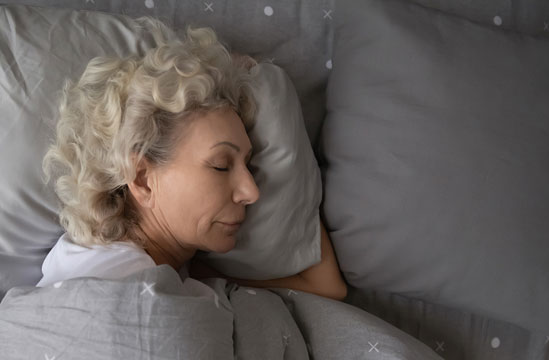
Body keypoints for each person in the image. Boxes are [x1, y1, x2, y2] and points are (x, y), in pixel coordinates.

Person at [37, 17, 347, 301]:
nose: (252, 192)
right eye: (221, 165)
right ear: (143, 179)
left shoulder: (172, 271)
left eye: (249, 165)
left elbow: (327, 288)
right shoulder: (116, 284)